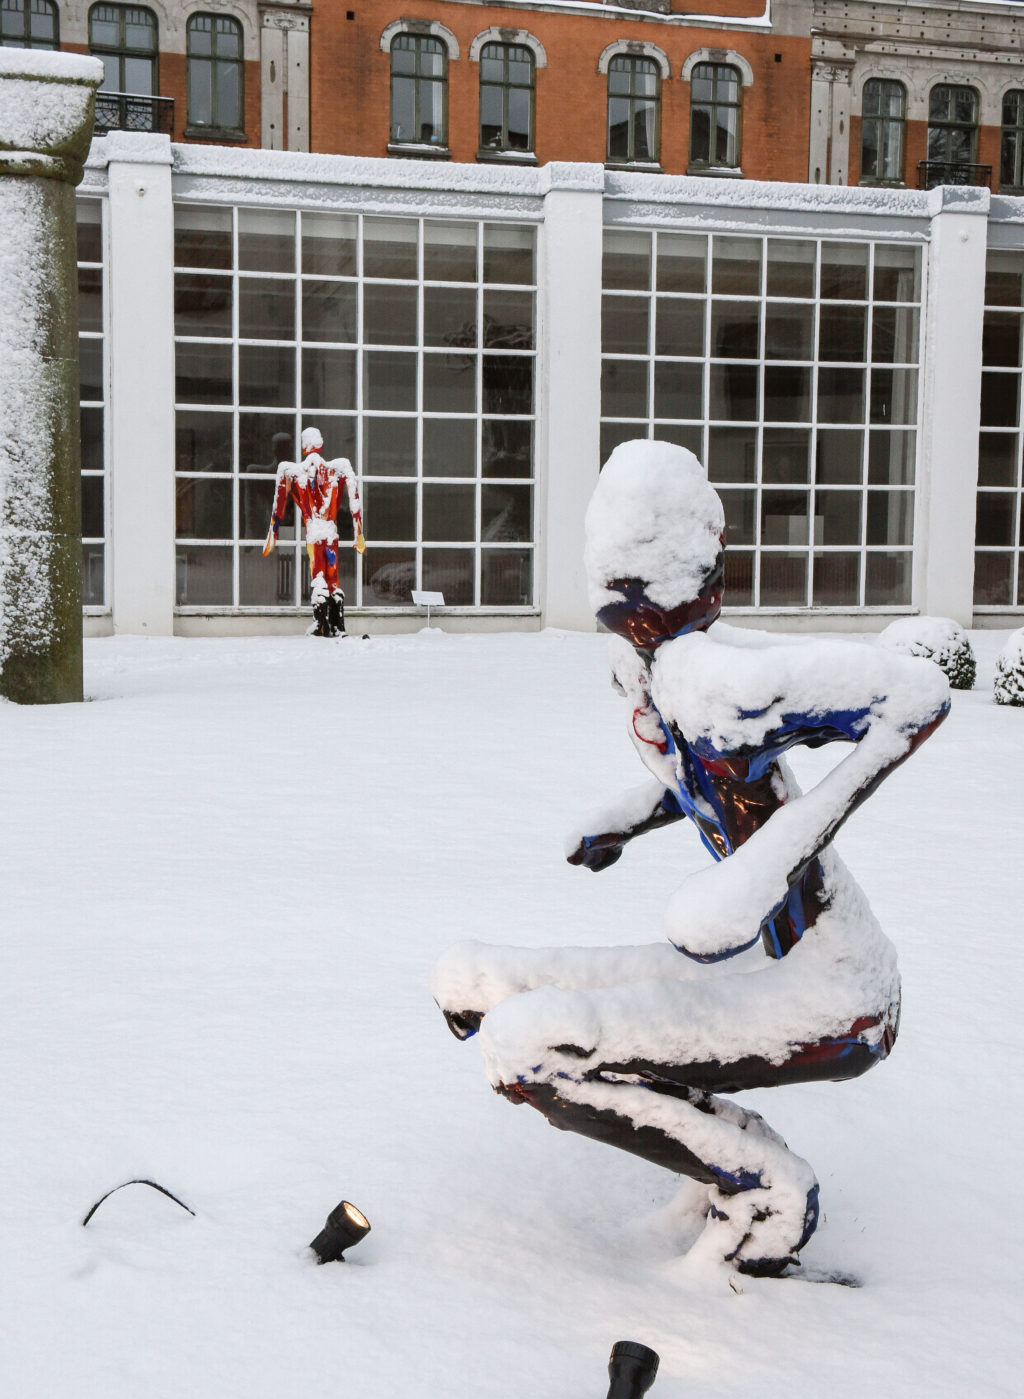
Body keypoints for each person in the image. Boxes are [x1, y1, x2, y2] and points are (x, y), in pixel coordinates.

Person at [432, 440, 950, 1278]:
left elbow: (919, 699)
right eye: (614, 572)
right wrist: (625, 822)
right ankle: (721, 1147)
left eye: (637, 572)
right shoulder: (653, 674)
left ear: (697, 573)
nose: (623, 598)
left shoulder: (724, 687)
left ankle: (761, 1184)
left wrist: (766, 865)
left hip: (836, 992)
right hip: (765, 961)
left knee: (529, 1049)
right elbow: (706, 782)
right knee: (488, 979)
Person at [264, 426, 365, 637]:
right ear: (320, 444)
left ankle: (321, 625)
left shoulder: (290, 469)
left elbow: (278, 503)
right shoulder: (339, 466)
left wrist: (273, 532)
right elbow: (354, 498)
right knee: (333, 579)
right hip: (331, 533)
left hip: (314, 533)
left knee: (318, 575)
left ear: (303, 447)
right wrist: (358, 532)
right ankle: (337, 626)